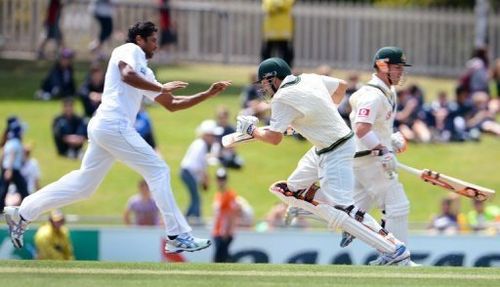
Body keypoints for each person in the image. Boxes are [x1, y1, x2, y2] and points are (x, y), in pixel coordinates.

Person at [3, 21, 231, 254]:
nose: (156, 45)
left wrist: (207, 93)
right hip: (113, 124)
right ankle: (177, 235)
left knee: (84, 186)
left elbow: (171, 104)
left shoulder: (146, 71)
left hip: (106, 127)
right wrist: (160, 87)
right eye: (152, 40)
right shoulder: (129, 50)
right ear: (139, 39)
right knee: (158, 170)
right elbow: (127, 75)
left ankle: (22, 212)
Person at [236, 57, 410, 265]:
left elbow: (274, 138)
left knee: (343, 209)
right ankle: (327, 211)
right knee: (288, 190)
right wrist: (321, 113)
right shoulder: (308, 78)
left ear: (273, 79)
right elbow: (342, 87)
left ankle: (392, 249)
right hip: (325, 147)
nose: (264, 88)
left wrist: (252, 131)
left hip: (334, 150)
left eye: (264, 83)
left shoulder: (282, 97)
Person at [340, 47, 412, 265]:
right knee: (397, 205)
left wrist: (391, 139)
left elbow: (377, 126)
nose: (400, 72)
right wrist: (382, 149)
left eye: (401, 68)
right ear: (383, 66)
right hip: (369, 158)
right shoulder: (372, 94)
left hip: (368, 157)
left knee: (353, 212)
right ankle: (396, 257)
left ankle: (308, 206)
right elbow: (361, 128)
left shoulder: (387, 91)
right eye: (397, 67)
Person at [180, 119, 222, 224]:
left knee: (195, 198)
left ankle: (189, 219)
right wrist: (204, 178)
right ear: (206, 135)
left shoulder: (200, 144)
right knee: (196, 198)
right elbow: (196, 166)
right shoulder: (201, 145)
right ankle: (191, 219)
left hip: (188, 173)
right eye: (211, 135)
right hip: (188, 173)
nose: (213, 138)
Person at [0, 116, 29, 213]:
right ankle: (28, 207)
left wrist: (3, 167)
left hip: (6, 168)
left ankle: (1, 208)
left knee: (3, 189)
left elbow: (3, 155)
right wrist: (9, 169)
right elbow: (12, 155)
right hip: (12, 169)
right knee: (23, 188)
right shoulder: (16, 142)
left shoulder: (8, 142)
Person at [212, 168, 240, 263]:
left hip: (224, 232)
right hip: (217, 231)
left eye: (223, 178)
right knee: (220, 258)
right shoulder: (218, 194)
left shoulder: (230, 195)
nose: (221, 181)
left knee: (220, 258)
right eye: (219, 178)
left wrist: (228, 231)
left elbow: (232, 213)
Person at [260, 0, 295, 67]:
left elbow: (287, 5)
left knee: (286, 54)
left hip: (284, 31)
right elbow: (268, 7)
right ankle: (266, 70)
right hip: (270, 30)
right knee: (266, 53)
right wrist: (279, 5)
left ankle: (287, 71)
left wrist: (276, 4)